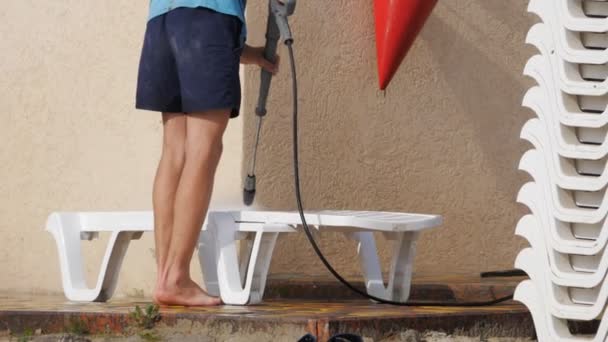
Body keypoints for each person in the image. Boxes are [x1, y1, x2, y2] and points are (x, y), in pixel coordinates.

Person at [135, 0, 278, 306]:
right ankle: (176, 278)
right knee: (204, 150)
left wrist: (251, 54)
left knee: (175, 151)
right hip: (208, 21)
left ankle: (165, 277)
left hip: (162, 22)